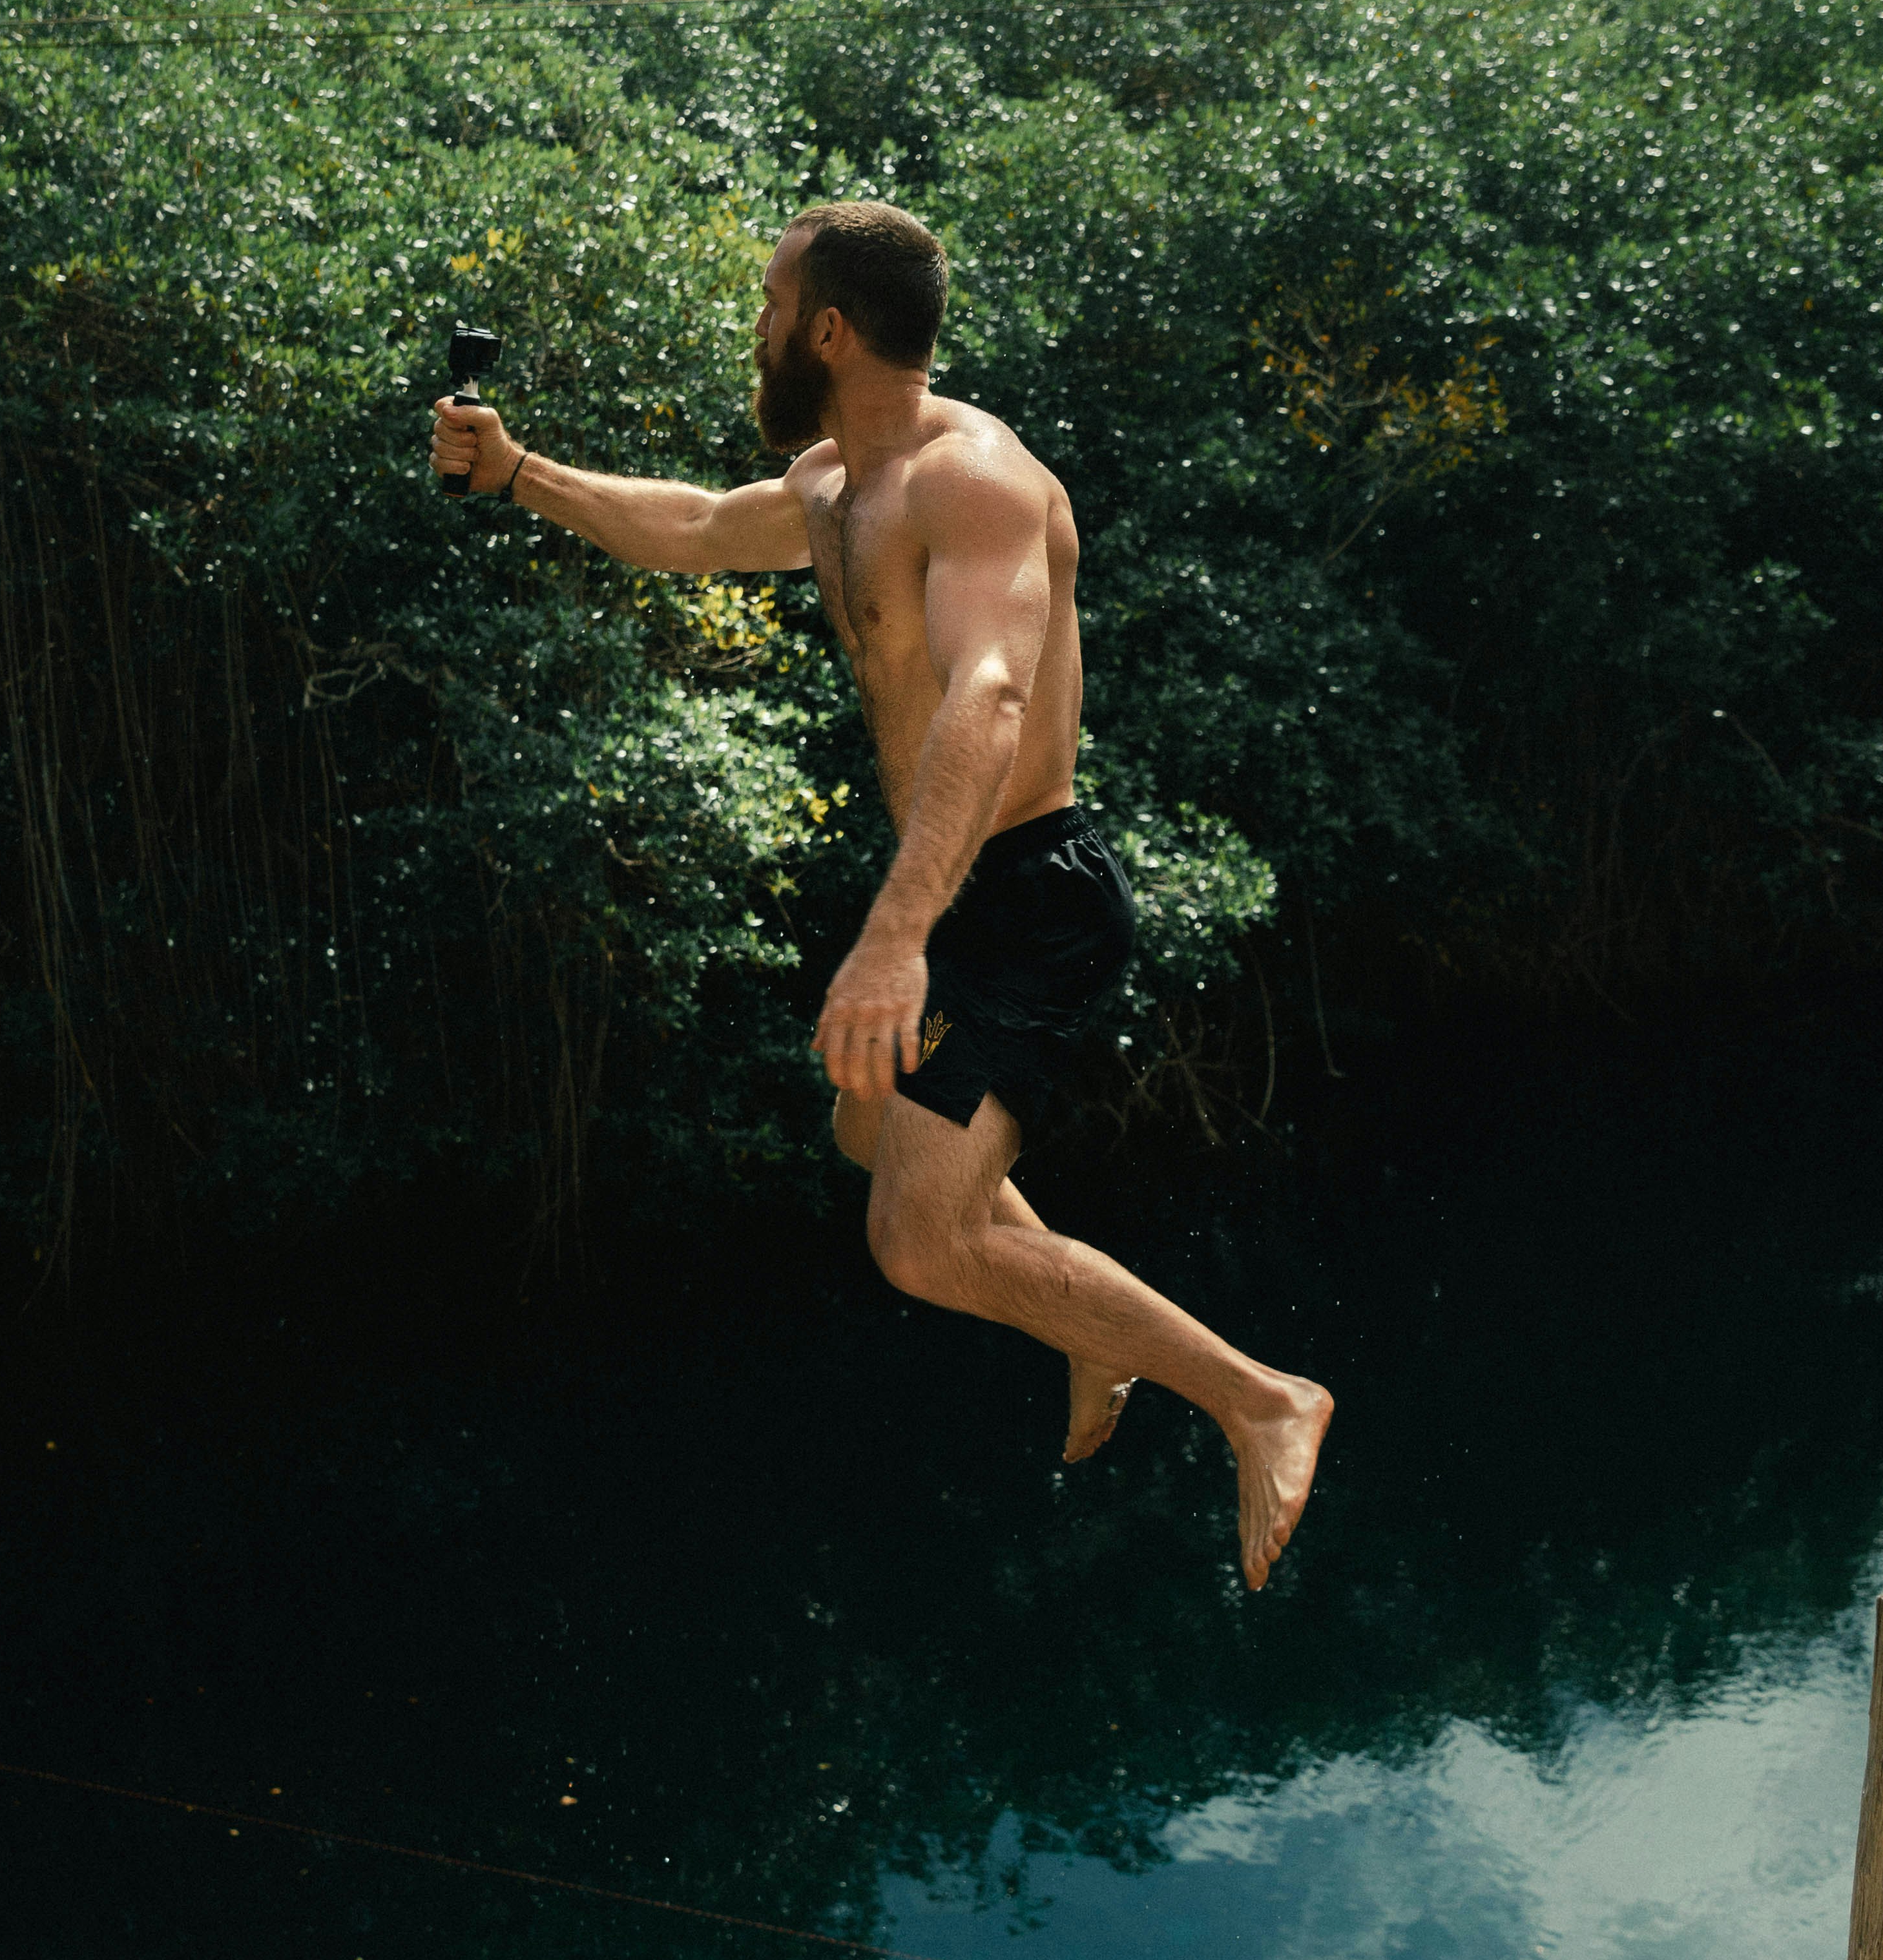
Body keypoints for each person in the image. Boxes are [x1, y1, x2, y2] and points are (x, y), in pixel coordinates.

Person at [432, 199, 1333, 1587]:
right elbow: (690, 530)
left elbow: (990, 690)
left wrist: (895, 938)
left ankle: (1260, 1399)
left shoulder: (972, 481)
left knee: (916, 1241)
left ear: (829, 330)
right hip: (957, 891)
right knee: (866, 1132)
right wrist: (520, 476)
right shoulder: (833, 485)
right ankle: (1092, 1331)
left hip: (1025, 896)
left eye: (770, 307)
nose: (758, 328)